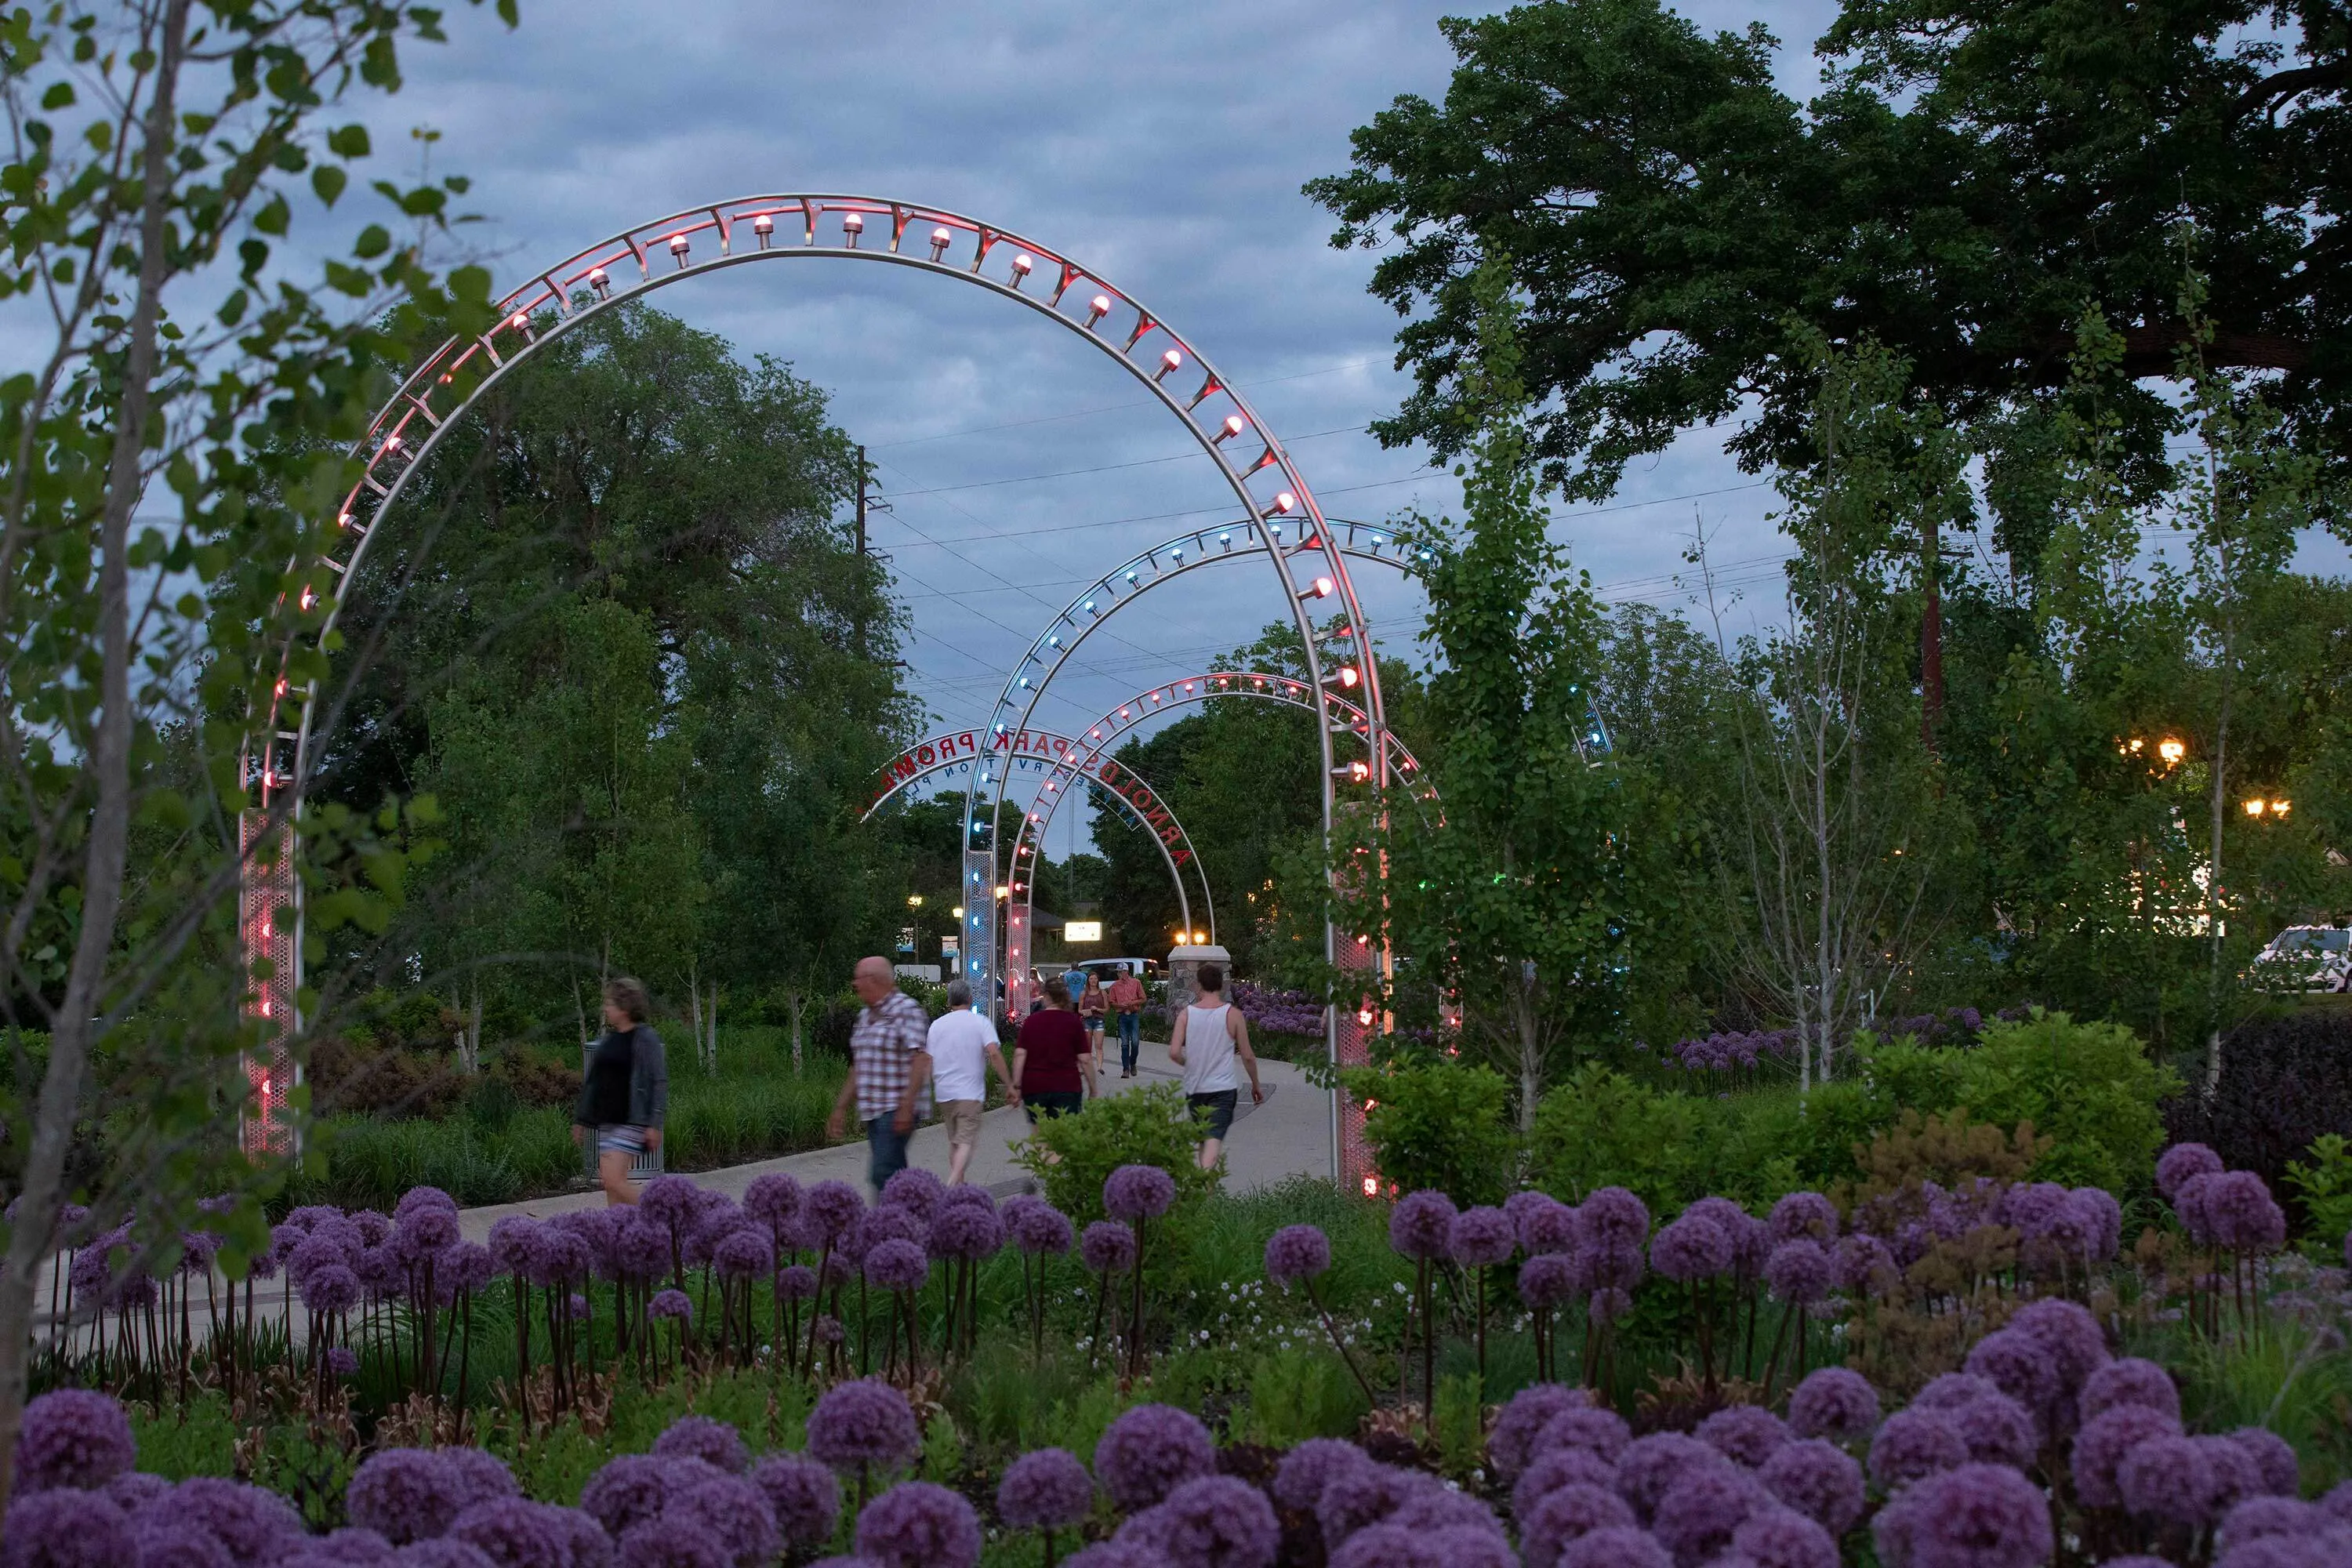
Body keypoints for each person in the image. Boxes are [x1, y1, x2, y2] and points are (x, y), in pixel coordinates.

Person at [826, 956, 933, 1195]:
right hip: (873, 1110)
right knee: (893, 1171)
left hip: (896, 1107)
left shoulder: (905, 1010)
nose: (855, 986)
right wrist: (840, 1108)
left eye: (857, 981)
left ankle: (889, 1223)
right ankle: (908, 1216)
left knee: (882, 1172)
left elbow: (920, 1058)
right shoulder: (865, 1016)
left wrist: (907, 1105)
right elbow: (858, 1066)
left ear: (872, 980)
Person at [571, 976, 668, 1206]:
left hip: (631, 1121)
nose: (605, 1008)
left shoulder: (646, 1038)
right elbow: (594, 1081)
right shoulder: (611, 1039)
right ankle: (620, 1235)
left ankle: (665, 1209)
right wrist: (580, 1120)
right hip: (608, 1122)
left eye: (610, 1004)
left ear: (624, 1007)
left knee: (613, 1181)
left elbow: (659, 1081)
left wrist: (655, 1124)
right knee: (613, 1190)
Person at [1167, 962, 1262, 1172]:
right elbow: (1247, 1056)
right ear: (1221, 986)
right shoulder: (1233, 1015)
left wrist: (1190, 1064)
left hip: (1195, 1088)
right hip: (1222, 1088)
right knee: (1213, 1138)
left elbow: (1174, 1052)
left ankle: (1205, 1193)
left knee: (1203, 1138)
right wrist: (1255, 1085)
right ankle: (1205, 1178)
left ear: (1198, 986)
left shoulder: (1186, 1014)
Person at [927, 978, 1017, 1185]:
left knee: (955, 1141)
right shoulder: (981, 1022)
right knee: (967, 1142)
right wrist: (1010, 1085)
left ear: (949, 1001)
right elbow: (994, 1054)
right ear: (970, 998)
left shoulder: (936, 1026)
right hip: (970, 1092)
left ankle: (960, 1184)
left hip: (944, 1092)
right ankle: (951, 1184)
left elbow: (929, 1059)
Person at [1013, 974, 1093, 1129]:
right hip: (1067, 1087)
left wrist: (1015, 1085)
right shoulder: (1073, 1022)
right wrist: (1093, 1089)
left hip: (1035, 1087)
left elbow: (1020, 1054)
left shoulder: (1031, 1022)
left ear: (1046, 996)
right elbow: (1085, 1059)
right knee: (1063, 1139)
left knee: (1041, 1141)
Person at [1107, 965, 1145, 1078]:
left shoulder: (1136, 982)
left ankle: (1132, 1063)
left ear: (1126, 972)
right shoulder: (1114, 986)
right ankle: (1125, 1070)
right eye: (1118, 972)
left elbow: (1143, 998)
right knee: (1124, 1044)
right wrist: (1120, 1005)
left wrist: (1133, 1003)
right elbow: (1111, 1002)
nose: (1119, 974)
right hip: (1122, 1016)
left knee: (1135, 1042)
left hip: (1134, 1015)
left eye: (1121, 972)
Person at [1078, 971, 1109, 1068]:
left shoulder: (1102, 992)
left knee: (1099, 1045)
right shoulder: (1084, 993)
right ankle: (1088, 1067)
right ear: (1088, 981)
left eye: (1095, 978)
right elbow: (1079, 1010)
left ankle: (1100, 1067)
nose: (1093, 981)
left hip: (1099, 1020)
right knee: (1088, 1046)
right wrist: (1085, 1012)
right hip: (1087, 1020)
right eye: (1091, 979)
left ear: (1098, 980)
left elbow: (1107, 1009)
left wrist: (1098, 1009)